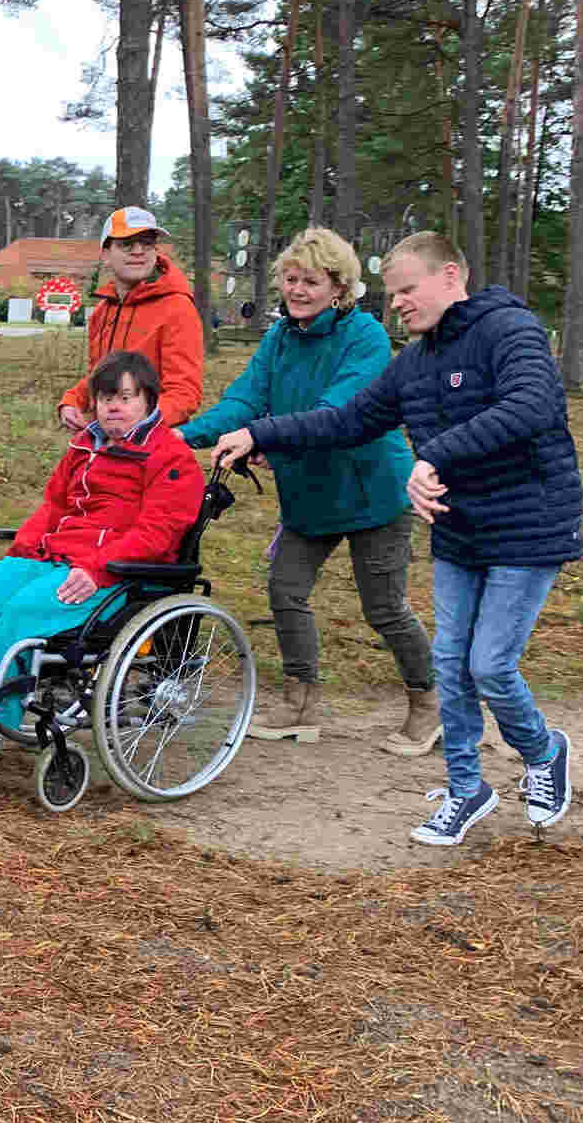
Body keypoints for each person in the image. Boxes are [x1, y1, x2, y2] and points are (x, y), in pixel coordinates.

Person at [208, 233, 581, 847]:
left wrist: (434, 456)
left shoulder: (509, 330)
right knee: (450, 664)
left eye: (408, 289)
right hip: (460, 526)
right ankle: (466, 789)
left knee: (489, 665)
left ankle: (543, 751)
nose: (398, 303)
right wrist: (259, 434)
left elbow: (532, 405)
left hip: (528, 525)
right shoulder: (415, 362)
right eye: (392, 293)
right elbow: (348, 420)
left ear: (451, 277)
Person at [0, 350, 210, 787]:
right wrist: (23, 549)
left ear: (149, 401)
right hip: (55, 554)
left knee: (22, 613)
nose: (114, 407)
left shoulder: (172, 459)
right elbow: (54, 506)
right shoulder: (85, 446)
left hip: (119, 571)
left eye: (126, 398)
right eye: (106, 399)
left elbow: (158, 534)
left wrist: (98, 569)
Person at [177, 226, 437, 753]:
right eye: (291, 279)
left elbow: (335, 415)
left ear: (338, 287)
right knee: (286, 590)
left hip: (372, 493)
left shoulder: (364, 338)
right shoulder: (279, 338)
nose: (297, 290)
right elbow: (244, 400)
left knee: (384, 608)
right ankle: (299, 704)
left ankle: (431, 704)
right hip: (309, 492)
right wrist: (180, 437)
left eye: (311, 281)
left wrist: (262, 436)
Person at [57, 206, 207, 432]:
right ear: (105, 255)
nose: (138, 251)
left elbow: (184, 394)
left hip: (152, 442)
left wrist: (133, 422)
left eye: (146, 243)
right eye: (127, 244)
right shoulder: (102, 311)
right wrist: (72, 402)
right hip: (106, 437)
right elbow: (99, 377)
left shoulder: (177, 308)